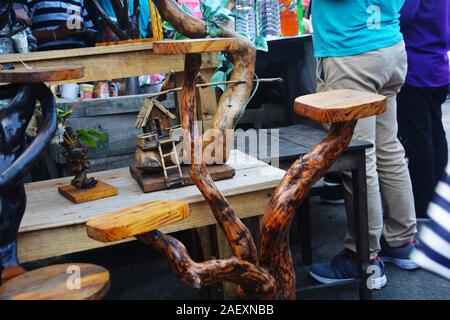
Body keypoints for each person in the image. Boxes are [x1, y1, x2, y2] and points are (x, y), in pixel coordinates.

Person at [308, 0, 418, 286]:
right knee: (387, 150)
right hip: (388, 45)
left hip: (352, 50)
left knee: (358, 157)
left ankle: (363, 258)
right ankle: (401, 239)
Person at [397, 0, 450, 219]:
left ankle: (423, 203)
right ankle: (435, 197)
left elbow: (402, 15)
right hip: (437, 65)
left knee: (421, 142)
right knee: (435, 134)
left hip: (416, 68)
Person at [26, 0, 96, 51]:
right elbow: (22, 35)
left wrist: (83, 31)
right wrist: (56, 33)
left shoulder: (79, 1)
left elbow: (92, 32)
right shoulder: (30, 1)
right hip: (47, 58)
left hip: (78, 55)